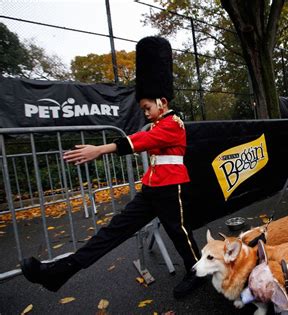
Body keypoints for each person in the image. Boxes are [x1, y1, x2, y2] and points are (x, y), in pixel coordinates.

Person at [20, 36, 203, 298]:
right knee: (112, 232)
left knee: (178, 232)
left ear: (162, 101)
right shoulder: (157, 124)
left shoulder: (175, 124)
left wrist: (100, 150)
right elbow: (146, 138)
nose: (145, 113)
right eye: (143, 108)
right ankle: (59, 272)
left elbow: (143, 140)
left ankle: (197, 271)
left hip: (170, 187)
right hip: (152, 188)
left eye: (147, 107)